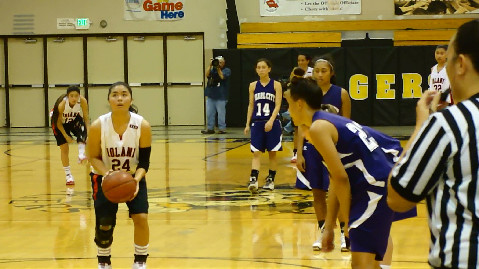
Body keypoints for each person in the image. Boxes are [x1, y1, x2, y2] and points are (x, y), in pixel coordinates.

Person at [285, 75, 403, 268]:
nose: (288, 111)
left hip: (374, 185)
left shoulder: (318, 127)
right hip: (380, 181)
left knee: (361, 264)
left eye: (288, 105)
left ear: (299, 104)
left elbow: (340, 178)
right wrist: (329, 226)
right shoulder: (326, 121)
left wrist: (348, 222)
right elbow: (335, 179)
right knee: (367, 262)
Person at [387, 19, 479, 269]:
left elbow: (398, 198)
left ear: (460, 64)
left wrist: (420, 126)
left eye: (447, 59)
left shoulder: (449, 123)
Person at [87, 81, 152, 269]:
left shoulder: (142, 125)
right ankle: (104, 262)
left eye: (124, 94)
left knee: (141, 218)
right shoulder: (98, 125)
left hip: (133, 177)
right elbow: (93, 157)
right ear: (109, 100)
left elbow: (144, 162)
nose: (120, 98)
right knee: (104, 223)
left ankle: (140, 262)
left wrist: (136, 180)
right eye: (115, 95)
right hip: (103, 177)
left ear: (131, 99)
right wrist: (108, 174)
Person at [295, 56, 351, 251]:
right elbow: (301, 125)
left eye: (324, 71)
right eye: (317, 70)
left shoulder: (341, 93)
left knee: (339, 192)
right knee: (318, 192)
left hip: (334, 149)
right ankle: (323, 231)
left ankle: (346, 233)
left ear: (331, 73)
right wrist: (299, 153)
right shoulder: (308, 94)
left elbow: (347, 125)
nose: (319, 74)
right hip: (312, 149)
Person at [244, 58, 283, 193]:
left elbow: (278, 105)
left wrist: (271, 120)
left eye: (263, 67)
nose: (261, 69)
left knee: (272, 154)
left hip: (272, 122)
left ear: (269, 69)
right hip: (257, 122)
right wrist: (247, 124)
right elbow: (251, 105)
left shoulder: (276, 85)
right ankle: (253, 179)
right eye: (259, 67)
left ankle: (270, 180)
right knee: (256, 152)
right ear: (256, 70)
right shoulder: (253, 85)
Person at [50, 85, 90, 185]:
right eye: (71, 96)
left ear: (79, 96)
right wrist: (66, 136)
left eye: (76, 96)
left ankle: (81, 154)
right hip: (59, 123)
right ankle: (68, 175)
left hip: (73, 119)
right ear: (68, 96)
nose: (74, 98)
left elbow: (86, 118)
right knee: (64, 148)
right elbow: (58, 123)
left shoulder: (83, 101)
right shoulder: (62, 104)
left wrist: (88, 133)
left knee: (82, 129)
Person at [284, 53, 313, 163]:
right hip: (298, 104)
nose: (300, 62)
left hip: (310, 103)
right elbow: (290, 86)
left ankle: (312, 151)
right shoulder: (294, 72)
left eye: (302, 60)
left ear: (307, 61)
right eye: (298, 60)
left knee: (310, 127)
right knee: (297, 129)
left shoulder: (313, 71)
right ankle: (296, 153)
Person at [201, 56, 231, 134]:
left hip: (221, 96)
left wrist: (218, 68)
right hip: (211, 95)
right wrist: (210, 65)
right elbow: (206, 74)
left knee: (221, 113)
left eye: (221, 62)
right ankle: (210, 128)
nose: (219, 64)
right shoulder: (212, 70)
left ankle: (222, 129)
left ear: (224, 63)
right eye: (218, 62)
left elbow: (222, 77)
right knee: (209, 113)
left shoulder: (226, 70)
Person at [429, 45, 454, 111]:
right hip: (435, 100)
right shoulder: (433, 69)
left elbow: (450, 87)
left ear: (447, 54)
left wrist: (445, 101)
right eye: (437, 53)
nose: (439, 56)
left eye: (442, 53)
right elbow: (431, 86)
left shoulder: (450, 68)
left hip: (446, 100)